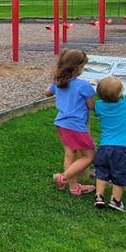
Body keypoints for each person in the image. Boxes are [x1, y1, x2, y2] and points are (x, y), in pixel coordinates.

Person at [45, 49, 96, 195]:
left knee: (70, 154)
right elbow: (91, 106)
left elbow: (47, 92)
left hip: (62, 124)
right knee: (89, 156)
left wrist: (55, 85)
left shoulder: (59, 82)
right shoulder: (84, 86)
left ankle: (74, 187)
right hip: (76, 126)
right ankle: (63, 178)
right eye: (82, 67)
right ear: (76, 68)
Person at [93, 72, 126, 212]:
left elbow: (92, 105)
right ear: (121, 92)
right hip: (122, 148)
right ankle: (116, 201)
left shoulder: (99, 106)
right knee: (119, 174)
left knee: (102, 172)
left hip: (104, 147)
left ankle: (99, 197)